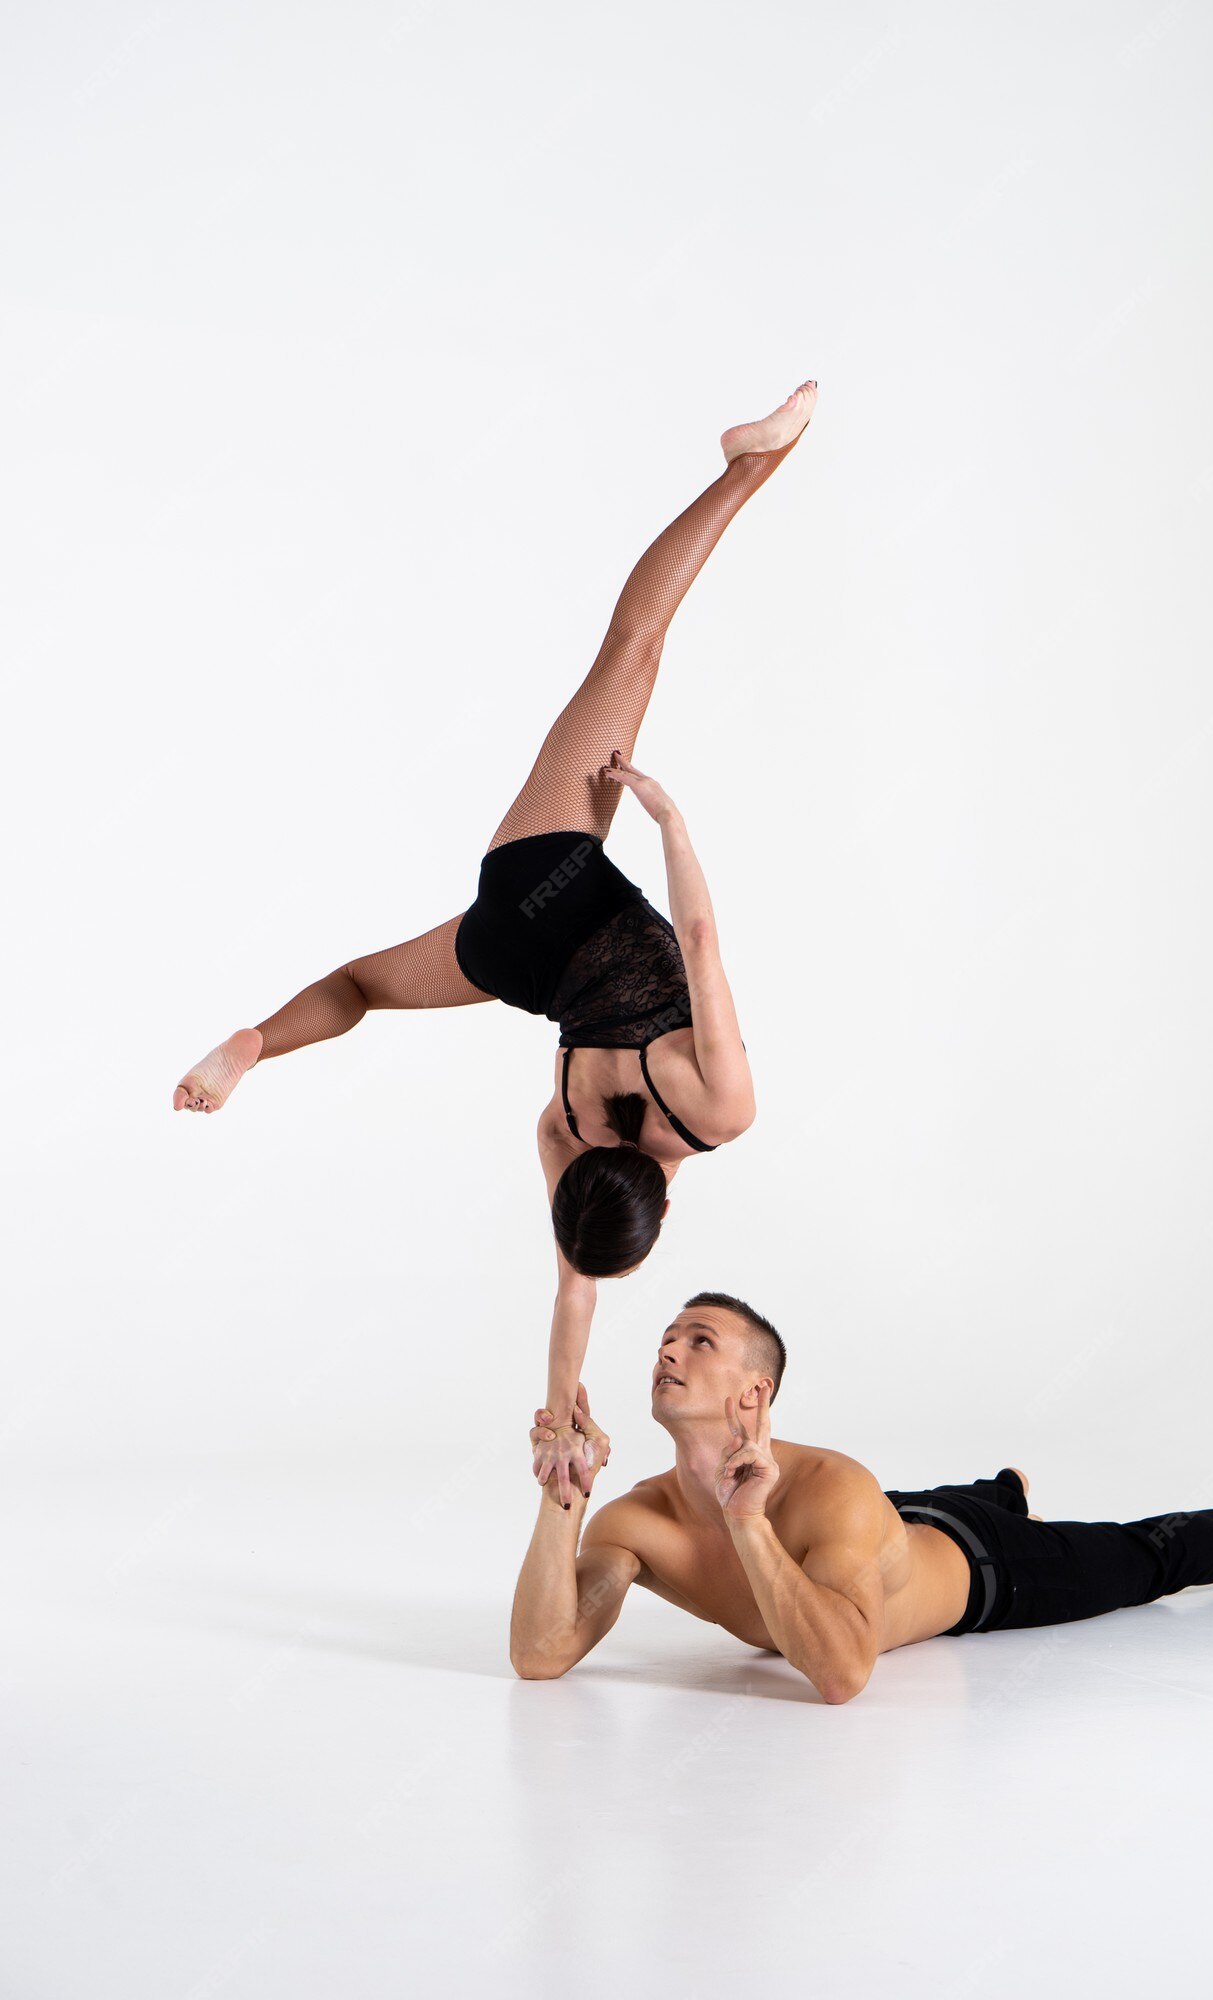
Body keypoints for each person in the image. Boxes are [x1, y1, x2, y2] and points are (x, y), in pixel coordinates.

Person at [170, 382, 817, 1459]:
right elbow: (573, 1287)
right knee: (365, 986)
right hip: (511, 956)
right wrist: (562, 1412)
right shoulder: (560, 1132)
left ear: (663, 1204)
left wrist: (668, 817)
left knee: (636, 645)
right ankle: (256, 1041)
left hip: (561, 882)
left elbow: (700, 946)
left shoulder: (718, 1109)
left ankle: (748, 465)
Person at [510, 1295, 1213, 1704]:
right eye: (665, 1339)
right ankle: (1004, 1489)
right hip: (891, 1524)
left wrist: (746, 1522)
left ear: (754, 1391)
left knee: (1148, 1554)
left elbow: (838, 1675)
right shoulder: (637, 1522)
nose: (669, 1350)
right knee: (911, 1512)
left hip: (985, 1572)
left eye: (700, 1341)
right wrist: (565, 1497)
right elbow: (542, 1653)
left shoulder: (831, 1486)